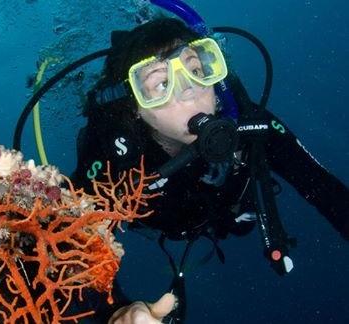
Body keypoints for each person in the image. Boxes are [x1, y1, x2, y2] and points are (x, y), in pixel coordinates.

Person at [69, 18, 349, 322]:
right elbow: (74, 246)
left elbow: (326, 190)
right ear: (135, 107)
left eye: (196, 70)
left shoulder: (250, 125)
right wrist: (115, 313)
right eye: (161, 84)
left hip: (222, 212)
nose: (189, 90)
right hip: (156, 219)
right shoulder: (115, 162)